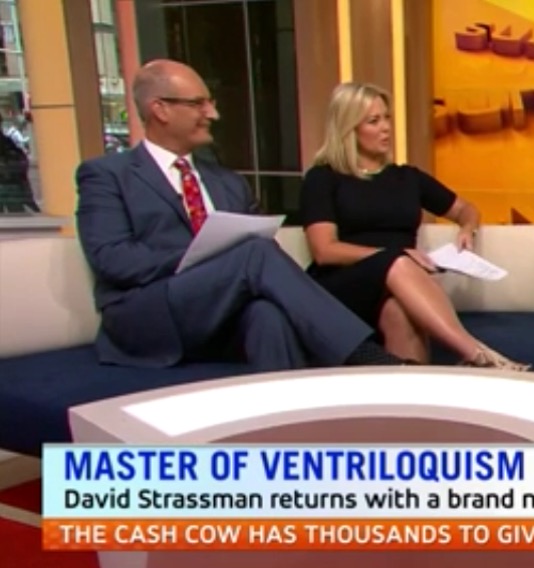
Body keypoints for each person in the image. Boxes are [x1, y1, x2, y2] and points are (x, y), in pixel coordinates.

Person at [76, 59, 408, 371]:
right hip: (150, 313)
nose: (213, 113)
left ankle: (296, 407)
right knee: (253, 254)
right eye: (198, 104)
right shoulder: (107, 175)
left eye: (210, 102)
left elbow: (265, 255)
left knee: (267, 315)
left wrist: (227, 265)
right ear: (160, 109)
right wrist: (204, 259)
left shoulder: (229, 181)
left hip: (220, 311)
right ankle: (369, 358)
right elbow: (113, 259)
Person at [299, 82, 528, 370]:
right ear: (349, 129)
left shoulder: (407, 178)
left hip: (396, 285)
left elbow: (465, 209)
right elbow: (324, 250)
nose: (386, 128)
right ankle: (478, 355)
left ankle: (417, 393)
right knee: (397, 261)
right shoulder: (323, 178)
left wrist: (467, 228)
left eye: (387, 118)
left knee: (400, 312)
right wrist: (392, 256)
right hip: (343, 286)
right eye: (374, 121)